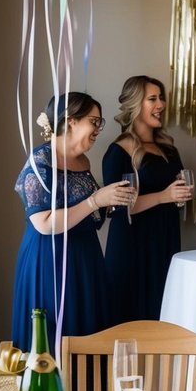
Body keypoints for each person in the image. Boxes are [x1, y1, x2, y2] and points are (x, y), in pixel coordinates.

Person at [11, 91, 134, 350]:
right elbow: (43, 223)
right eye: (94, 121)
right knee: (53, 334)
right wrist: (95, 201)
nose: (99, 129)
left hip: (85, 258)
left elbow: (86, 213)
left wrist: (108, 202)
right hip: (49, 260)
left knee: (86, 333)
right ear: (70, 121)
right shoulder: (40, 160)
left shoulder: (83, 161)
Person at [102, 75, 193, 322]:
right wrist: (165, 196)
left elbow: (177, 190)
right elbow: (120, 207)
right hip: (132, 247)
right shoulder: (118, 151)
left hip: (165, 240)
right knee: (129, 317)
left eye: (161, 98)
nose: (161, 104)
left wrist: (180, 197)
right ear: (134, 104)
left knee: (162, 312)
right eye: (152, 98)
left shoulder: (169, 149)